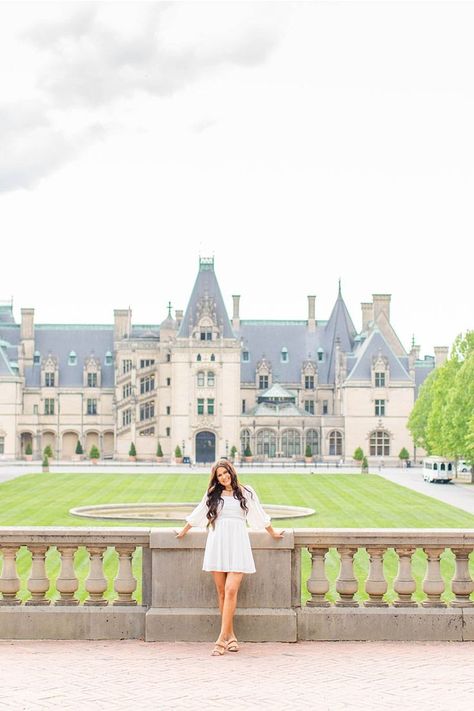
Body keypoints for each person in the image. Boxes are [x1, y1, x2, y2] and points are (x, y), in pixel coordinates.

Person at [176, 458, 284, 656]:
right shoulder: (213, 494)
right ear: (216, 478)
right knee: (222, 593)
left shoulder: (246, 492)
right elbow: (199, 512)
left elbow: (258, 515)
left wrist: (273, 533)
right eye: (220, 475)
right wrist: (183, 531)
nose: (224, 477)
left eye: (226, 473)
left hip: (238, 543)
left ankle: (220, 640)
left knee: (231, 589)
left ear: (231, 472)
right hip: (218, 543)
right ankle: (231, 636)